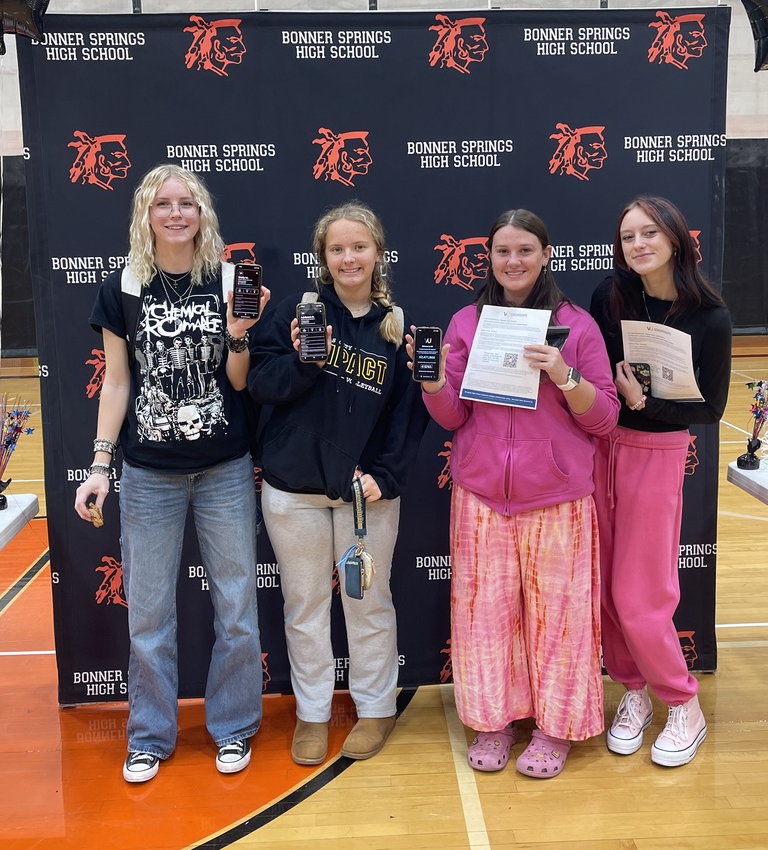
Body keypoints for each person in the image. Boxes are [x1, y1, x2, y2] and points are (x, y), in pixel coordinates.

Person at [74, 163, 269, 783]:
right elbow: (117, 382)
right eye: (164, 204)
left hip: (224, 469)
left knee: (236, 608)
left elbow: (240, 382)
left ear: (203, 213)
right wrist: (100, 463)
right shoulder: (123, 288)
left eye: (188, 202)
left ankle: (234, 727)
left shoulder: (231, 278)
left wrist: (239, 333)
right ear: (146, 215)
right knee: (149, 617)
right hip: (150, 474)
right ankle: (150, 736)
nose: (177, 213)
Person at [411, 209, 619, 779]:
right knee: (485, 618)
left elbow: (603, 418)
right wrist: (432, 383)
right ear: (491, 258)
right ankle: (494, 721)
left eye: (525, 250)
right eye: (503, 251)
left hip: (557, 499)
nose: (514, 261)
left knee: (560, 618)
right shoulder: (466, 322)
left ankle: (556, 729)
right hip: (481, 498)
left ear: (546, 254)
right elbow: (454, 415)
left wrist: (563, 375)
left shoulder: (576, 326)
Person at [248, 200, 427, 765]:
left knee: (368, 601)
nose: (349, 257)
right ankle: (313, 714)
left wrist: (386, 475)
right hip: (293, 490)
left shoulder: (395, 326)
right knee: (304, 606)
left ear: (377, 252)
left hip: (362, 496)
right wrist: (304, 360)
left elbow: (409, 414)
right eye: (337, 248)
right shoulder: (298, 316)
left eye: (359, 246)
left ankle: (376, 709)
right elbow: (260, 385)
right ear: (323, 258)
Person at [589, 194, 731, 767]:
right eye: (628, 237)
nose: (639, 245)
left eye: (650, 233)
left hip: (658, 450)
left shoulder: (709, 316)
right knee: (605, 587)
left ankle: (683, 703)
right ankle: (634, 693)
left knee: (640, 593)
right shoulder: (610, 296)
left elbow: (712, 409)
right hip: (602, 447)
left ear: (675, 239)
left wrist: (642, 401)